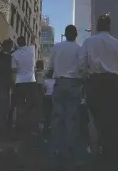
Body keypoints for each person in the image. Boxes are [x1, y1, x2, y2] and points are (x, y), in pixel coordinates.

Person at [79, 15, 118, 163]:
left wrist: (85, 79)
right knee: (113, 120)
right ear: (109, 27)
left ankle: (96, 152)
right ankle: (112, 154)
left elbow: (81, 65)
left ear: (97, 27)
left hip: (95, 84)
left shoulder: (88, 42)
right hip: (114, 85)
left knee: (95, 120)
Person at [47, 25, 82, 166]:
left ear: (65, 34)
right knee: (71, 118)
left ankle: (57, 148)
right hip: (74, 84)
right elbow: (82, 68)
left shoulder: (57, 47)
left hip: (59, 83)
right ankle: (69, 149)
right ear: (76, 35)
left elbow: (49, 68)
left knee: (58, 117)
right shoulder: (79, 49)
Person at [11, 36, 39, 135]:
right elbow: (34, 43)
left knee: (20, 105)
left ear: (17, 43)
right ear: (25, 42)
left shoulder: (14, 55)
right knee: (32, 105)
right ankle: (31, 128)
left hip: (20, 82)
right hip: (31, 81)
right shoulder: (31, 50)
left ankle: (20, 128)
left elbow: (14, 70)